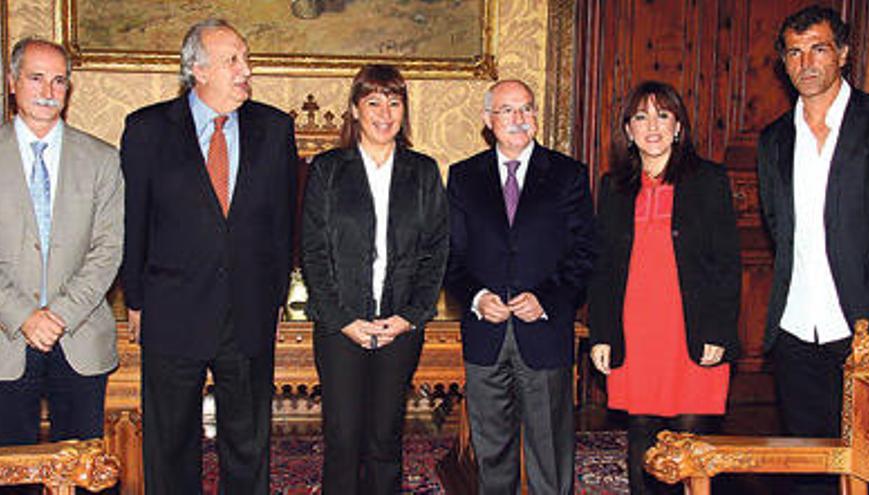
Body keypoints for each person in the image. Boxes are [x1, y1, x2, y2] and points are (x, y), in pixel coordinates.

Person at [120, 19, 296, 494]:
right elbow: (134, 221)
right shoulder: (147, 129)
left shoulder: (275, 129)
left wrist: (276, 299)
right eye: (232, 60)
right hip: (171, 307)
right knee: (171, 442)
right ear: (198, 69)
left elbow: (284, 226)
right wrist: (135, 299)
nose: (246, 70)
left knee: (247, 442)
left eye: (246, 58)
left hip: (249, 310)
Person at [300, 64, 449, 494]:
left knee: (386, 439)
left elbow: (435, 250)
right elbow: (313, 251)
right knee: (343, 440)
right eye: (373, 102)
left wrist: (409, 316)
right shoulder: (328, 169)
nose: (385, 112)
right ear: (354, 109)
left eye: (394, 102)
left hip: (400, 327)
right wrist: (341, 317)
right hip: (339, 327)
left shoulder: (422, 171)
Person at [588, 81, 741, 495]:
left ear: (678, 127)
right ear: (628, 129)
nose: (651, 126)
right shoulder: (613, 186)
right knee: (641, 430)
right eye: (640, 116)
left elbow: (728, 264)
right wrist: (601, 334)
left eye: (662, 115)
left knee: (690, 437)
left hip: (691, 327)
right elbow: (601, 268)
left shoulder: (708, 180)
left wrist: (719, 331)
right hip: (636, 330)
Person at [446, 79, 596, 494]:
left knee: (549, 449)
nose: (518, 118)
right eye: (507, 110)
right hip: (484, 332)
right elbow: (450, 258)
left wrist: (546, 299)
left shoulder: (567, 175)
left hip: (544, 332)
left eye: (526, 109)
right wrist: (477, 297)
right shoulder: (463, 177)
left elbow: (584, 253)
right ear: (487, 119)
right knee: (491, 448)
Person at [758, 6, 869, 495]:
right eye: (794, 51)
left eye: (819, 48)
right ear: (784, 63)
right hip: (793, 331)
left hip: (865, 328)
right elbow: (777, 227)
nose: (806, 61)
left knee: (868, 467)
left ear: (844, 54)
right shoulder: (773, 140)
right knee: (806, 470)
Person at [0, 36, 123, 452]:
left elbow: (109, 250)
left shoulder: (102, 160)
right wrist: (23, 315)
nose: (48, 92)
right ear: (12, 82)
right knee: (10, 472)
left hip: (80, 338)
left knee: (81, 468)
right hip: (6, 340)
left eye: (58, 81)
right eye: (36, 78)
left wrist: (59, 316)